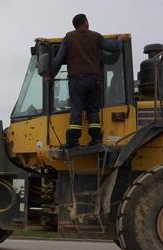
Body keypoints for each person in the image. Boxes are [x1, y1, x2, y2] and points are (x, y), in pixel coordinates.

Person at [46, 14, 128, 149]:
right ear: (85, 23)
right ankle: (96, 139)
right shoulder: (95, 36)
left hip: (77, 80)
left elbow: (59, 59)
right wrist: (120, 41)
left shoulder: (69, 37)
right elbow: (111, 47)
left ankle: (73, 140)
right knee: (93, 109)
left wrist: (50, 75)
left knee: (77, 108)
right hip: (93, 79)